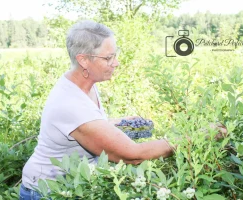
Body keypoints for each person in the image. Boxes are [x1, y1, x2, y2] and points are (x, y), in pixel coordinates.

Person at [19, 20, 175, 199]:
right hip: (45, 192)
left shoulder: (84, 84)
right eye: (108, 58)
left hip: (71, 187)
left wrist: (116, 123)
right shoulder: (70, 103)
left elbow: (84, 125)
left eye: (115, 55)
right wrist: (190, 139)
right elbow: (134, 155)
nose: (116, 63)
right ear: (83, 60)